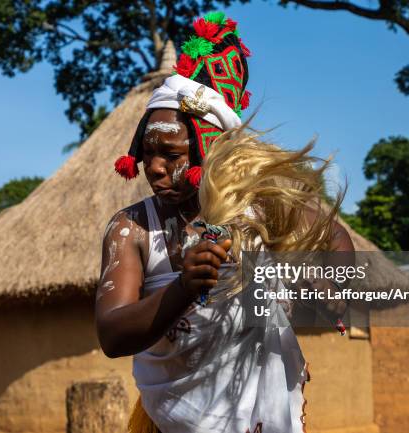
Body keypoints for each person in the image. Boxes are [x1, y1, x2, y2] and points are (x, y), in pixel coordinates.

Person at [96, 11, 353, 433]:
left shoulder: (262, 211)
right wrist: (183, 287)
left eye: (173, 154)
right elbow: (111, 335)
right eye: (148, 151)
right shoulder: (132, 229)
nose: (155, 168)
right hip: (169, 421)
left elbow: (334, 236)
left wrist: (329, 289)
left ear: (208, 150)